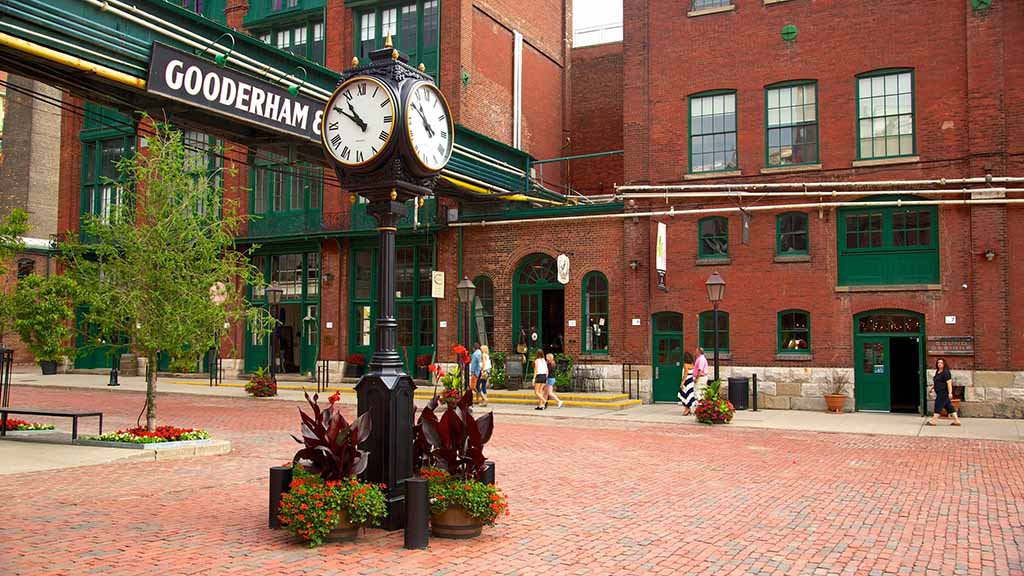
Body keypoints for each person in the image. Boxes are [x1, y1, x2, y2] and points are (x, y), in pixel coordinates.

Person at [927, 357, 961, 426]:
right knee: (949, 407)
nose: (939, 364)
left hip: (943, 393)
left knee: (938, 405)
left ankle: (934, 420)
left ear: (944, 364)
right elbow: (936, 381)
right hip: (939, 392)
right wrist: (932, 388)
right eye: (938, 362)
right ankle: (957, 421)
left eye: (941, 363)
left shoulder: (946, 372)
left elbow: (949, 383)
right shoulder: (938, 371)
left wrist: (950, 393)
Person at [679, 351, 696, 415]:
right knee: (689, 395)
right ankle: (688, 409)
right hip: (691, 381)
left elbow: (685, 374)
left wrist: (682, 383)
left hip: (687, 381)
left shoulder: (685, 365)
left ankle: (687, 409)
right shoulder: (692, 365)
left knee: (685, 395)